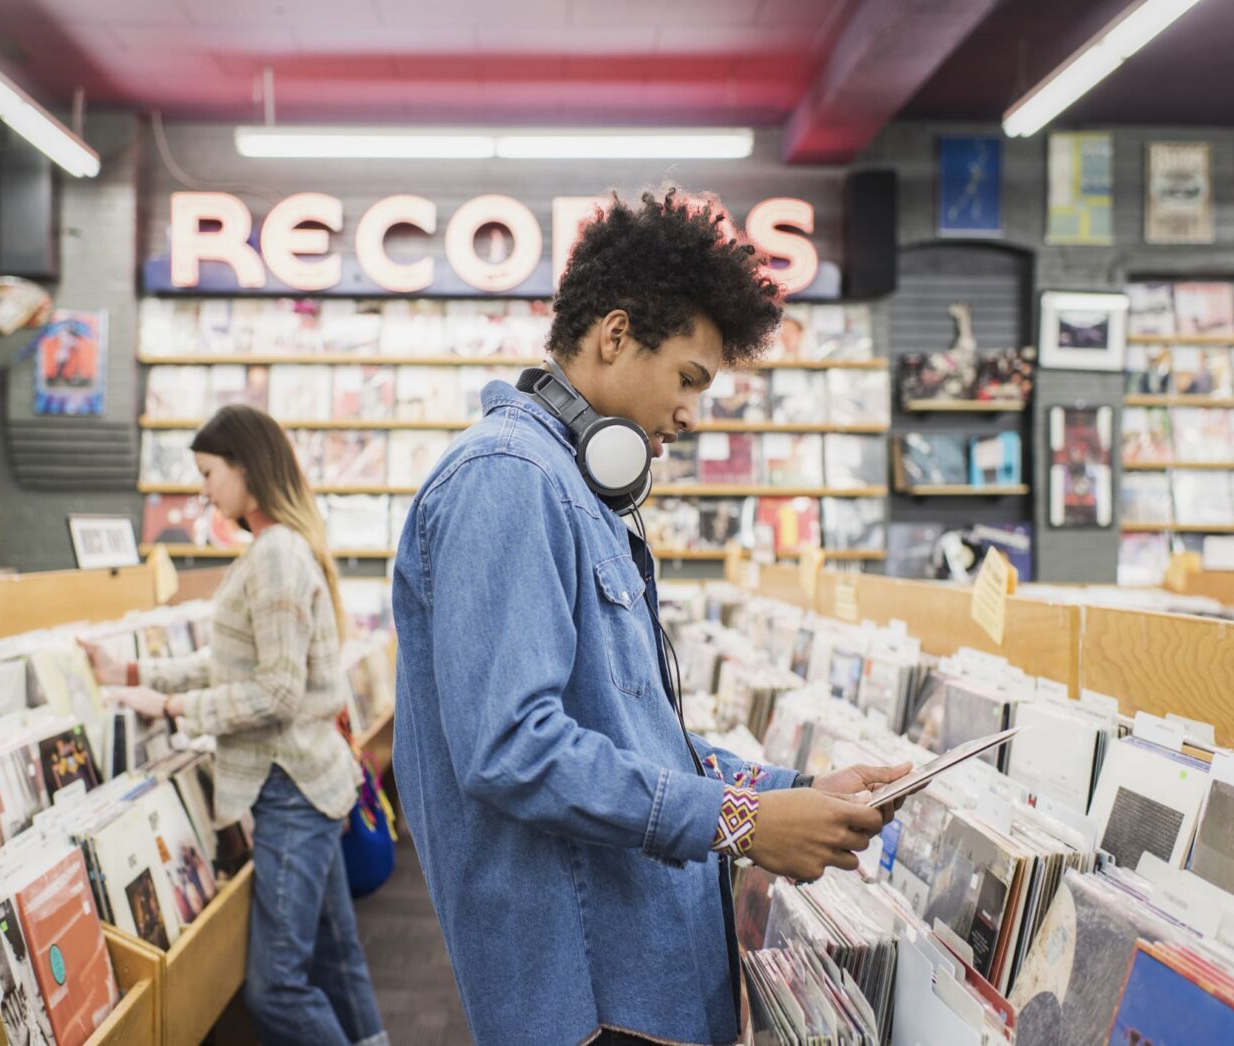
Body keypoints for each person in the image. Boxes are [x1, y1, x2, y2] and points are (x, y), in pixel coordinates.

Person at [391, 187, 913, 1046]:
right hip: (590, 994)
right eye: (688, 380)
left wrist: (792, 795)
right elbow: (512, 749)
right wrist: (744, 825)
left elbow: (632, 731)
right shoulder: (508, 480)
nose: (690, 416)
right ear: (615, 334)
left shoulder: (577, 491)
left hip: (648, 973)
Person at [83, 405, 386, 1046]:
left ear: (245, 468)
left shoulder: (276, 555)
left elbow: (274, 693)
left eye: (209, 472)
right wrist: (134, 671)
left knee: (275, 989)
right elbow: (231, 663)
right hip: (314, 779)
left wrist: (170, 710)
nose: (203, 488)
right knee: (335, 958)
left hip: (292, 789)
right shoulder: (276, 547)